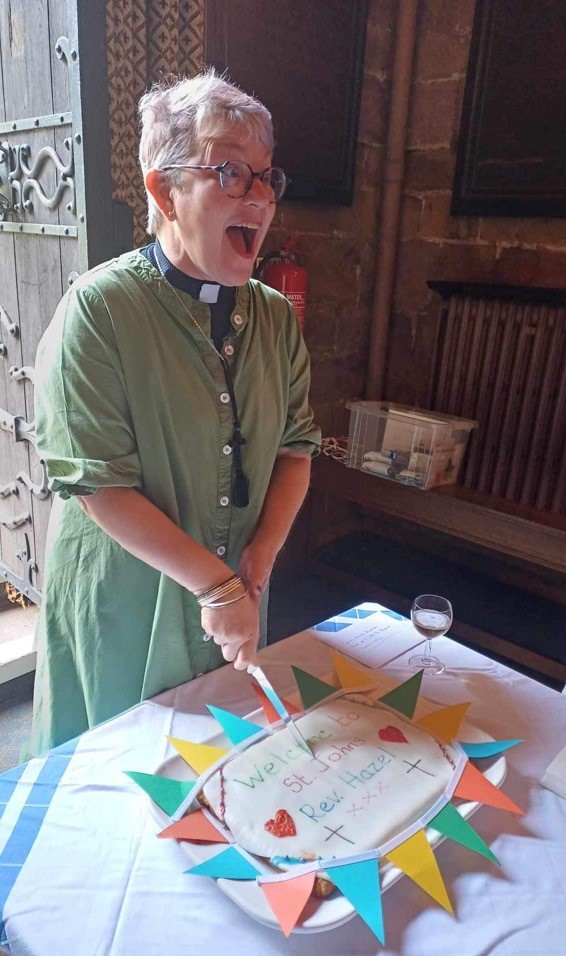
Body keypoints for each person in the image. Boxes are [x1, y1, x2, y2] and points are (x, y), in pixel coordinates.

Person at [28, 70, 321, 755]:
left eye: (266, 178)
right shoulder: (96, 311)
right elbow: (98, 485)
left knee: (220, 771)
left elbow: (297, 449)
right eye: (231, 174)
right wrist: (218, 589)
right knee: (113, 775)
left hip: (238, 587)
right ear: (163, 190)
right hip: (126, 601)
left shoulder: (276, 320)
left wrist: (257, 560)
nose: (260, 198)